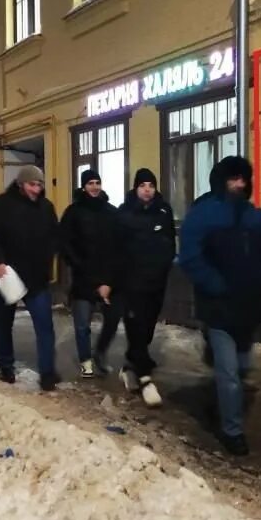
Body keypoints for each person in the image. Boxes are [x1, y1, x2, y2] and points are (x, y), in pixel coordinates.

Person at [178, 156, 261, 457]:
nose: (240, 184)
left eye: (244, 179)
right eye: (234, 179)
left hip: (247, 307)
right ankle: (232, 431)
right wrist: (216, 285)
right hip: (219, 307)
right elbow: (191, 257)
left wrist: (259, 283)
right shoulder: (203, 215)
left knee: (242, 369)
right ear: (222, 181)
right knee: (231, 374)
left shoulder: (254, 216)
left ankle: (220, 398)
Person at [0, 165, 61, 388]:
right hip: (7, 276)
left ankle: (47, 373)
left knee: (45, 326)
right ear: (20, 184)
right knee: (4, 324)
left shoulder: (46, 208)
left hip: (37, 279)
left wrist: (49, 258)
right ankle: (6, 367)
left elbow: (55, 236)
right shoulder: (2, 205)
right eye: (32, 184)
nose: (36, 189)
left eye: (39, 185)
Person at [112, 168, 176, 407]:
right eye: (143, 185)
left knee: (147, 329)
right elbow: (116, 249)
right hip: (131, 283)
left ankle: (130, 365)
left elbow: (170, 242)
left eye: (151, 185)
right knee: (136, 327)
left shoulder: (163, 210)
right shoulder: (124, 213)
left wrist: (166, 264)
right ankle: (145, 380)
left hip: (156, 282)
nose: (147, 189)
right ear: (135, 188)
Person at [58, 170, 120, 379]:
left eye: (97, 182)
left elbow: (117, 247)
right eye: (90, 183)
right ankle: (86, 360)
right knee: (82, 324)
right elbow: (65, 244)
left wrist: (108, 280)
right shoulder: (73, 212)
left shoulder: (111, 212)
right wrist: (78, 265)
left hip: (107, 279)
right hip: (83, 278)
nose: (94, 186)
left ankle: (100, 353)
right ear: (83, 186)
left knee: (112, 319)